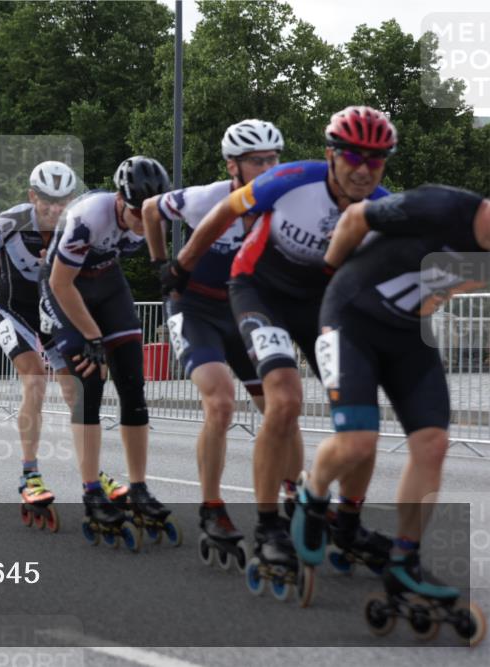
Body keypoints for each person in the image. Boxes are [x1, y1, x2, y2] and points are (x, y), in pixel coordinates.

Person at [162, 106, 396, 591]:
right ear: (330, 157)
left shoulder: (381, 204)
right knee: (283, 399)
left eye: (376, 160)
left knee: (362, 414)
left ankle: (347, 523)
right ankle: (268, 524)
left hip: (319, 302)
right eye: (352, 156)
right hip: (258, 290)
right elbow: (225, 211)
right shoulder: (290, 180)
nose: (363, 169)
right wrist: (180, 266)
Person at [292, 185, 489, 630]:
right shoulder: (443, 206)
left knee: (434, 443)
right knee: (359, 440)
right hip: (349, 317)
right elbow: (356, 217)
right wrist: (326, 273)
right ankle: (313, 493)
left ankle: (405, 558)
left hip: (406, 336)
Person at [143, 120, 281, 567]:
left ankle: (297, 495)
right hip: (196, 310)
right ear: (233, 167)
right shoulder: (205, 198)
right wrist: (160, 263)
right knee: (221, 405)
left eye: (272, 159)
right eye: (257, 161)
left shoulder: (282, 201)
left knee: (281, 405)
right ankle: (212, 505)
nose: (267, 168)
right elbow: (149, 209)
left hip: (244, 310)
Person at [40, 155, 178, 547]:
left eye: (150, 211)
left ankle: (138, 488)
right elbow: (60, 283)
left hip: (108, 282)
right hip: (67, 290)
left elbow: (155, 243)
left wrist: (162, 268)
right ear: (120, 199)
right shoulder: (88, 217)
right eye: (136, 210)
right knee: (91, 384)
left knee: (133, 384)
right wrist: (92, 338)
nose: (142, 218)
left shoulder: (151, 214)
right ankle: (91, 491)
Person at [0, 161, 77, 525]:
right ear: (32, 196)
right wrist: (1, 281)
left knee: (75, 389)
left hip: (50, 309)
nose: (55, 208)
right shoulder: (11, 221)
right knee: (35, 379)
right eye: (47, 200)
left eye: (63, 200)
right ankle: (30, 473)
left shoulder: (74, 226)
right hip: (11, 308)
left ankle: (92, 476)